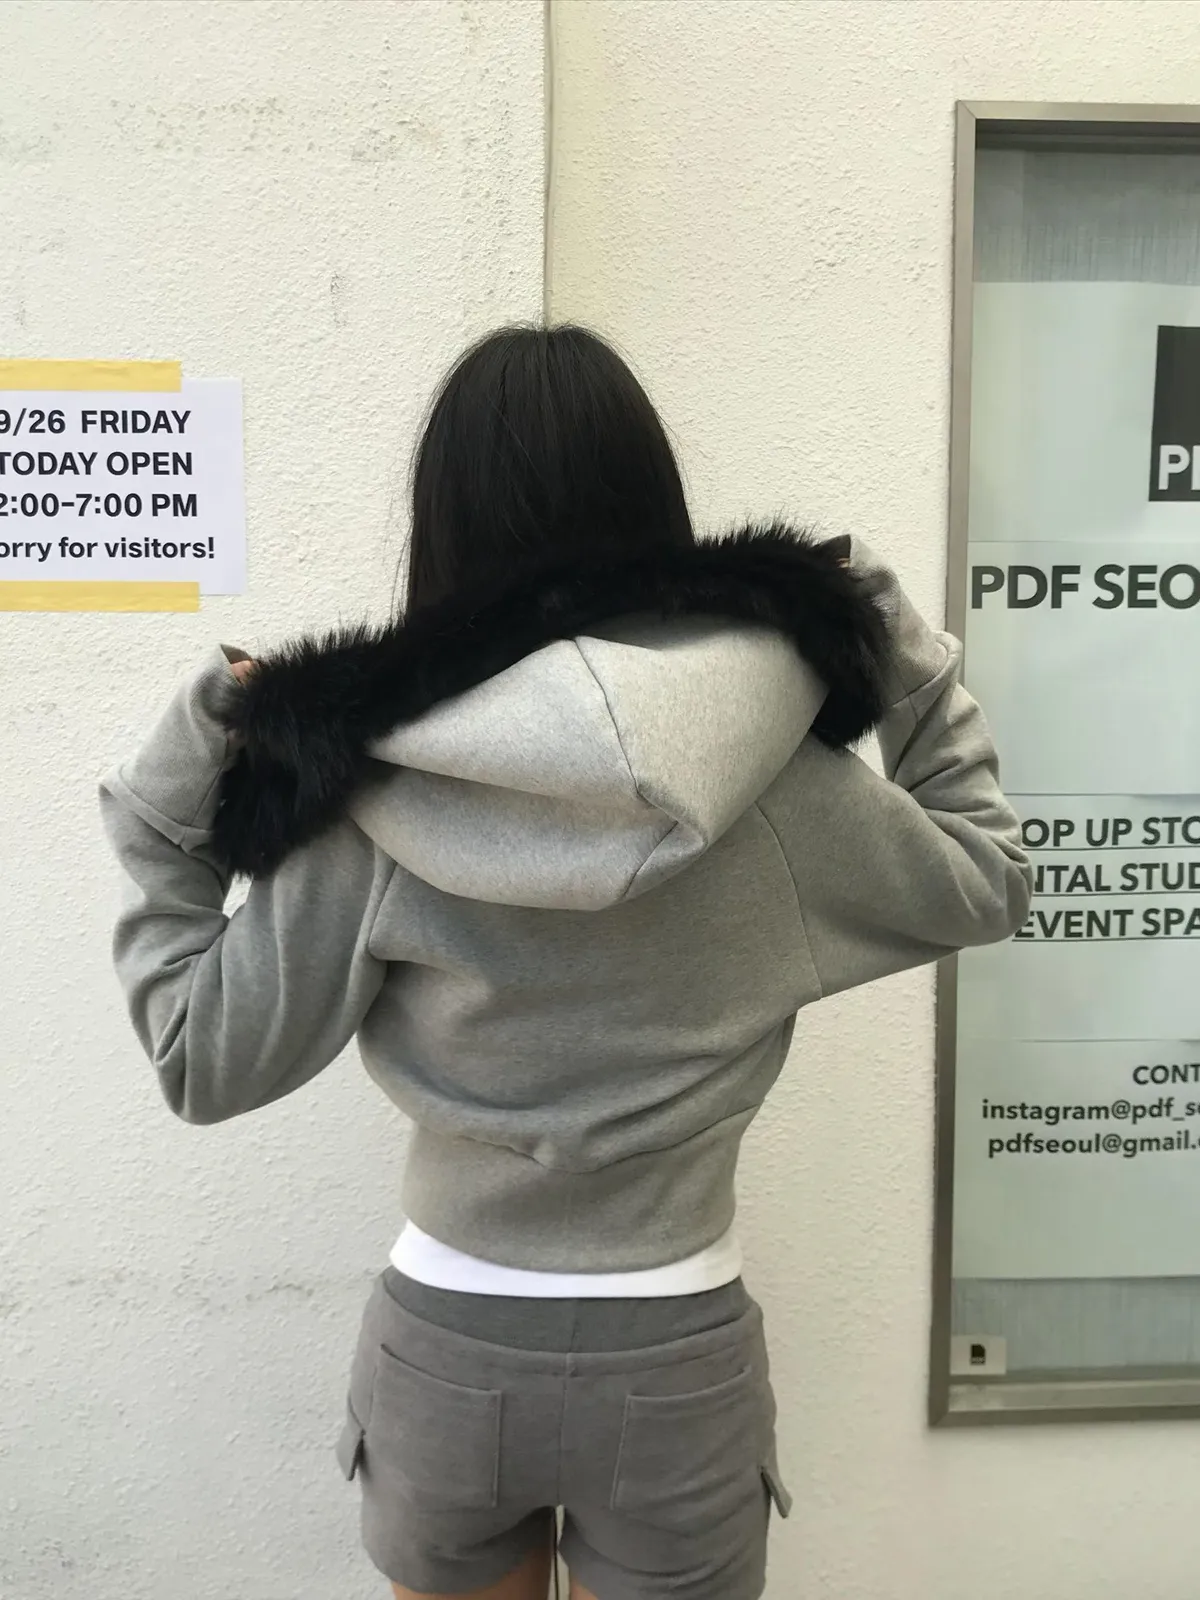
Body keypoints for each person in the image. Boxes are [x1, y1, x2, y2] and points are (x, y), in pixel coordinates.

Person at [100, 324, 1031, 1600]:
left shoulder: (369, 803)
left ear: (443, 533)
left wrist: (173, 786)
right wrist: (884, 631)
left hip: (448, 1348)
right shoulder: (783, 790)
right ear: (657, 518)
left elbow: (198, 1057)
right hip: (677, 1348)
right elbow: (988, 873)